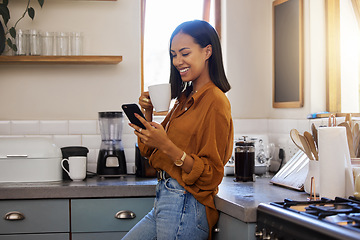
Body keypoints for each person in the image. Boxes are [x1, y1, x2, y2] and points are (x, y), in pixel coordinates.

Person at [123, 20, 233, 240]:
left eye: (184, 53)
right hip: (165, 199)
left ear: (207, 51)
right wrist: (148, 114)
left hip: (186, 203)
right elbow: (149, 151)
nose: (177, 61)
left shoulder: (215, 101)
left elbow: (212, 174)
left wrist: (166, 145)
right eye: (173, 55)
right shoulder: (184, 98)